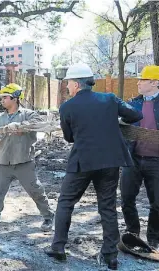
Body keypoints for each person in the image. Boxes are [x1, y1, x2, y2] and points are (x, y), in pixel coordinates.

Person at [46, 63, 143, 270]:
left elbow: (69, 138)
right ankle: (110, 255)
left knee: (65, 203)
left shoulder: (67, 107)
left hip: (83, 161)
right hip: (110, 161)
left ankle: (58, 247)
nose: (67, 88)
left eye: (68, 84)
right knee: (107, 207)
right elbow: (135, 116)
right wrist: (113, 120)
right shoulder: (109, 99)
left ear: (76, 84)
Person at [0, 83, 54, 231]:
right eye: (1, 98)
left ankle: (48, 217)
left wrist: (20, 126)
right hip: (4, 162)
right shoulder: (0, 118)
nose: (1, 100)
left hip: (24, 162)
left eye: (5, 97)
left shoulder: (28, 114)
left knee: (36, 190)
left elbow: (39, 123)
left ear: (15, 98)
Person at [120, 65, 159, 249]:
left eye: (142, 80)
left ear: (154, 82)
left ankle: (154, 238)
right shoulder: (132, 104)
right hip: (133, 159)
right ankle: (132, 234)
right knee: (127, 198)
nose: (138, 83)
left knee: (157, 203)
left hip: (156, 162)